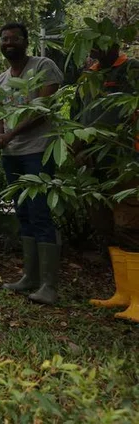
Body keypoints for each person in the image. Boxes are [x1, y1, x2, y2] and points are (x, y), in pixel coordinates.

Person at [0, 22, 63, 304]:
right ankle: (30, 277)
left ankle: (49, 286)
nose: (9, 43)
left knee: (40, 211)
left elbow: (43, 109)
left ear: (25, 41)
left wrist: (10, 134)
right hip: (13, 154)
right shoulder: (1, 80)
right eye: (4, 39)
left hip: (38, 150)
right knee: (22, 212)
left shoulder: (43, 66)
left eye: (14, 38)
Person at [78, 41, 139, 320]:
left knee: (130, 225)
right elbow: (78, 113)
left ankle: (138, 300)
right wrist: (77, 148)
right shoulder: (89, 75)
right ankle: (122, 293)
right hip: (94, 162)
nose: (94, 51)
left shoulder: (132, 69)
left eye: (100, 44)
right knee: (106, 226)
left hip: (126, 159)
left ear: (115, 43)